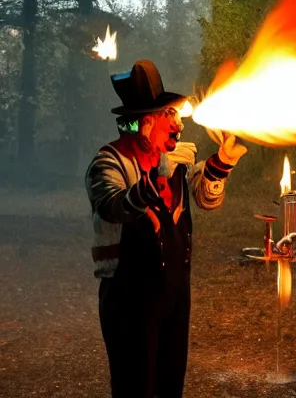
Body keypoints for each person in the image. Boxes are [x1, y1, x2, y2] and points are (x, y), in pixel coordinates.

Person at [85, 60, 247, 398]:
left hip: (175, 294)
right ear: (145, 125)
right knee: (135, 388)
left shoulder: (172, 162)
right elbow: (113, 206)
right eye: (168, 116)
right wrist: (150, 184)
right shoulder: (108, 163)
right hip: (129, 298)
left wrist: (221, 162)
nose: (178, 125)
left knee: (170, 387)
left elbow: (206, 199)